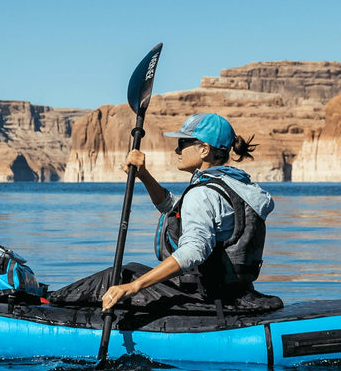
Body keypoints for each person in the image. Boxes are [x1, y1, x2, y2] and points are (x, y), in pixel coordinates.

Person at [98, 112, 277, 314]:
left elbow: (193, 251)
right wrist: (144, 175)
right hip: (235, 292)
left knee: (120, 275)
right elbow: (175, 208)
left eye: (183, 142)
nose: (177, 149)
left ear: (204, 149)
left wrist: (133, 286)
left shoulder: (202, 193)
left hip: (205, 295)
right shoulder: (236, 185)